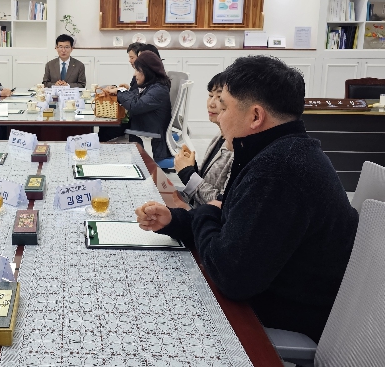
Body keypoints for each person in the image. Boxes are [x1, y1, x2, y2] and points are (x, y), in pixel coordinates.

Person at [135, 56, 358, 342]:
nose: (218, 115)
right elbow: (231, 222)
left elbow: (231, 277)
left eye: (225, 106)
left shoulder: (278, 171)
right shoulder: (279, 151)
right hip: (267, 290)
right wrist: (175, 221)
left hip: (280, 315)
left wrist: (204, 213)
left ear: (255, 116)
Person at [174, 72, 233, 208]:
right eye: (210, 96)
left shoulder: (236, 148)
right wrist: (192, 167)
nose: (211, 104)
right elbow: (207, 180)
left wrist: (188, 174)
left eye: (219, 98)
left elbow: (222, 204)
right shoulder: (219, 135)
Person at [102, 51, 172, 161]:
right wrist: (119, 90)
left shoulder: (158, 90)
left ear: (147, 72)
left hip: (150, 142)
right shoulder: (153, 86)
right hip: (144, 128)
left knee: (104, 134)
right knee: (104, 131)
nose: (135, 74)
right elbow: (135, 96)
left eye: (138, 70)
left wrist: (119, 92)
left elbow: (136, 105)